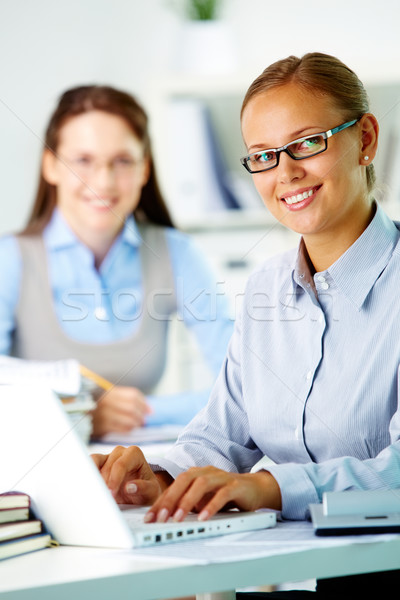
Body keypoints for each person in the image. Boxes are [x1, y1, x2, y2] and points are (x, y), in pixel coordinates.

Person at [92, 52, 400, 595]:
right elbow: (219, 436)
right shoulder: (265, 288)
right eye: (262, 156)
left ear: (366, 138)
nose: (286, 173)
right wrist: (157, 477)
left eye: (308, 143)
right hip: (283, 577)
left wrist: (268, 487)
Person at [0, 85, 233, 438]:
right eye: (83, 161)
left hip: (143, 466)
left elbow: (241, 383)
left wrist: (138, 412)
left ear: (144, 170)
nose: (103, 181)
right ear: (52, 166)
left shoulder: (177, 253)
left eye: (122, 161)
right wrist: (82, 414)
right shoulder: (10, 260)